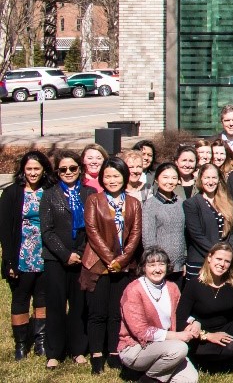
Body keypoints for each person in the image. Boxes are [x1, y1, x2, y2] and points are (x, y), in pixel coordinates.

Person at [84, 156, 143, 373]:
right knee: (98, 312)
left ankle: (113, 351)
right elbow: (92, 231)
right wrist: (111, 260)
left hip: (124, 265)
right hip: (99, 264)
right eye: (107, 176)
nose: (111, 180)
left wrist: (121, 261)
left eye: (116, 176)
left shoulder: (133, 203)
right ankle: (96, 354)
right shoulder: (94, 200)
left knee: (116, 311)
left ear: (124, 177)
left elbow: (135, 234)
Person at [40, 150, 92, 369]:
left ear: (79, 169)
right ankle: (54, 351)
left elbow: (91, 228)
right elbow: (47, 230)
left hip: (81, 258)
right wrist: (64, 254)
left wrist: (78, 253)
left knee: (79, 305)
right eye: (63, 169)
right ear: (57, 171)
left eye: (72, 168)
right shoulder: (49, 195)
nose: (68, 172)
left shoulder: (89, 194)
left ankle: (78, 349)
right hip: (55, 259)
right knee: (56, 306)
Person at [116, 248, 200, 383]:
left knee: (189, 379)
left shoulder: (172, 288)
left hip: (166, 346)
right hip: (136, 347)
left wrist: (194, 322)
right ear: (143, 267)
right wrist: (176, 336)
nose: (157, 269)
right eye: (152, 265)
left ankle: (152, 374)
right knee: (180, 348)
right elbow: (141, 331)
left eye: (161, 264)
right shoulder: (133, 290)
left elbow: (179, 315)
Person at [1, 150, 52, 361]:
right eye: (29, 169)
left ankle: (40, 340)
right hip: (21, 253)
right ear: (23, 169)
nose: (33, 173)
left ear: (43, 170)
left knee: (42, 297)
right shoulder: (12, 193)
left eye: (37, 169)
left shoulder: (49, 190)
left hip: (45, 252)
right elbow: (4, 229)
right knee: (20, 298)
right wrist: (10, 260)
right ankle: (21, 343)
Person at [177, 242, 233, 372]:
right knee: (231, 347)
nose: (222, 264)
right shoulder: (193, 285)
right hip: (200, 335)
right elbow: (179, 321)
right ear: (209, 258)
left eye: (227, 261)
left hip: (224, 327)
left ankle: (225, 358)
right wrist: (207, 335)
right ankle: (203, 363)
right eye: (218, 259)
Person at [182, 164, 233, 280]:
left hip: (223, 262)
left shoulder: (227, 202)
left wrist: (227, 253)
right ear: (200, 179)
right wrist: (218, 253)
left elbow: (231, 232)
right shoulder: (191, 204)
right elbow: (196, 235)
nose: (210, 182)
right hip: (200, 260)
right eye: (207, 178)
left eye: (214, 178)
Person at [142, 163, 187, 280]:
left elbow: (184, 233)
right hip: (159, 267)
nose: (170, 181)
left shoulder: (180, 202)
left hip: (179, 266)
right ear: (157, 179)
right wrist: (156, 264)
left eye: (174, 178)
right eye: (165, 177)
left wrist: (184, 261)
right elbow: (148, 240)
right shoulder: (150, 204)